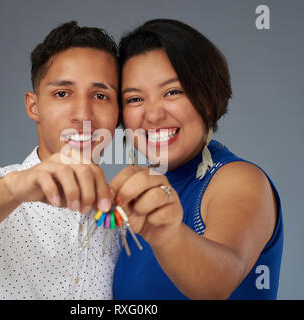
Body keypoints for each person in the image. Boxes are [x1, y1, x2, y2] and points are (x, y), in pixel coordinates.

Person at [0, 21, 122, 299]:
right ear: (34, 107)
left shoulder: (121, 224)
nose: (83, 115)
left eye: (100, 95)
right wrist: (17, 187)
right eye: (62, 93)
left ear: (119, 113)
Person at [111, 19, 283, 299]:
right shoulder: (141, 195)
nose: (153, 115)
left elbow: (217, 281)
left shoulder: (237, 179)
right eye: (134, 99)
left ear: (207, 94)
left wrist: (166, 234)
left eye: (173, 92)